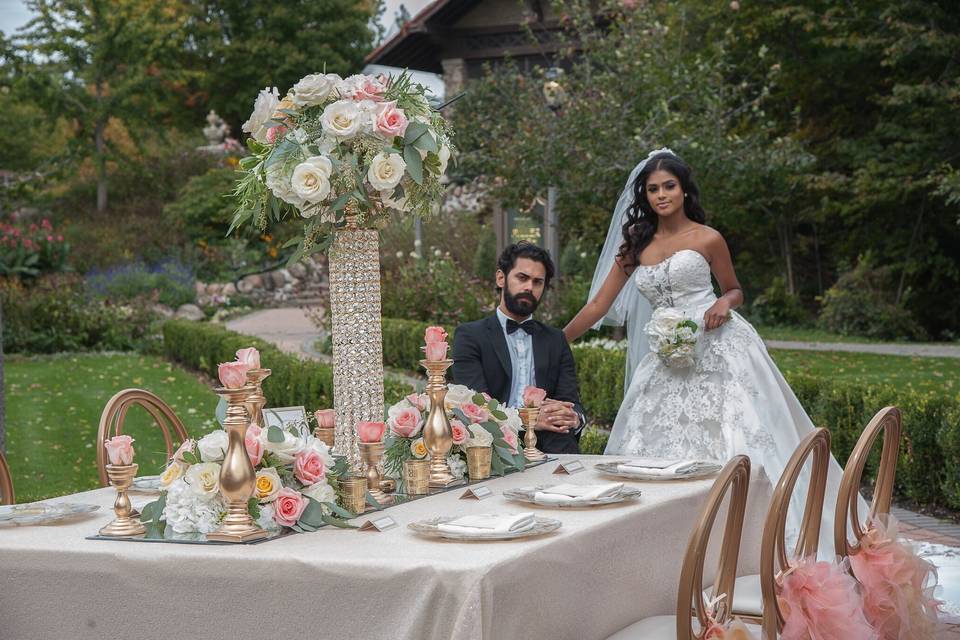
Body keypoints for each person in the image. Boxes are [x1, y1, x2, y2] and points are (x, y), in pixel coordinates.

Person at [563, 148, 860, 550]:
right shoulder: (635, 246)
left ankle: (755, 541)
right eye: (653, 189)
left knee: (740, 439)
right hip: (666, 360)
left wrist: (723, 302)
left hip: (720, 350)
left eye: (669, 186)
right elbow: (597, 306)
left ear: (684, 190)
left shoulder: (707, 238)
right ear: (645, 196)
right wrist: (553, 341)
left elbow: (734, 289)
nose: (661, 195)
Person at [452, 242, 586, 454]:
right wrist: (527, 420)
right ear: (501, 278)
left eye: (538, 282)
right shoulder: (470, 336)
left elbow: (571, 402)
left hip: (554, 445)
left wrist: (574, 417)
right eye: (522, 278)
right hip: (495, 446)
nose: (529, 288)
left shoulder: (555, 339)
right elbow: (474, 407)